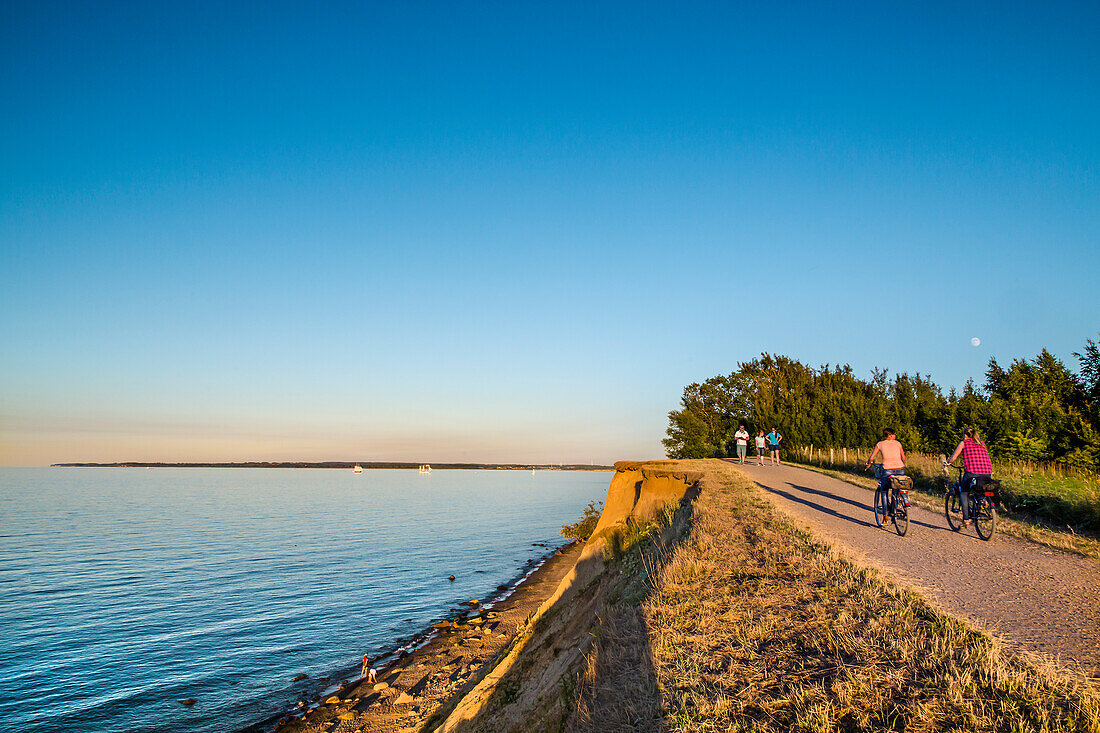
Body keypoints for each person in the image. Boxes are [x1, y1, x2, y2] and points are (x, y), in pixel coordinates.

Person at [944, 428, 993, 528]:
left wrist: (947, 462)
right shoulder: (982, 443)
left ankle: (966, 520)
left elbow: (954, 457)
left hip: (972, 472)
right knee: (979, 488)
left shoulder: (964, 443)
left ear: (965, 435)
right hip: (987, 471)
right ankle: (983, 500)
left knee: (964, 493)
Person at [865, 428, 907, 514]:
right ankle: (897, 502)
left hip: (888, 470)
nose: (895, 435)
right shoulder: (898, 443)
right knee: (898, 486)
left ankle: (885, 515)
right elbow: (903, 457)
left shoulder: (880, 444)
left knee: (884, 491)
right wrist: (900, 465)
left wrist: (868, 464)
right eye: (894, 434)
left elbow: (872, 457)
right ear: (890, 435)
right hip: (900, 469)